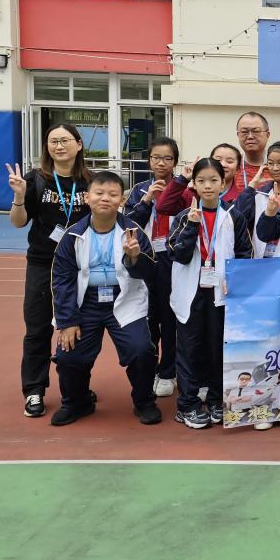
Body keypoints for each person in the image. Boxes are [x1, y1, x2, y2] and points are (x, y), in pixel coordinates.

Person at [49, 171, 161, 427]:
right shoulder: (72, 235)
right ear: (87, 197)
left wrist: (134, 258)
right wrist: (67, 321)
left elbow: (150, 273)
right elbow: (62, 279)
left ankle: (144, 402)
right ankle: (76, 403)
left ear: (122, 200)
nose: (105, 199)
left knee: (142, 350)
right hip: (85, 304)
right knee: (68, 355)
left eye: (112, 194)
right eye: (99, 193)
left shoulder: (133, 232)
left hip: (124, 300)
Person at [6, 123, 92, 419]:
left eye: (65, 140)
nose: (59, 146)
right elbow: (18, 222)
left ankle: (77, 389)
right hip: (43, 263)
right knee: (38, 328)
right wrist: (19, 196)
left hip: (81, 266)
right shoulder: (36, 180)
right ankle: (34, 390)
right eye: (53, 141)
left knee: (80, 328)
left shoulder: (90, 182)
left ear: (78, 144)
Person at [167, 158, 252, 430]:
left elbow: (244, 254)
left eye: (213, 180)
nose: (207, 186)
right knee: (189, 349)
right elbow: (177, 254)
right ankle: (187, 404)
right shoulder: (184, 217)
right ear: (193, 183)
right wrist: (192, 226)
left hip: (221, 292)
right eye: (201, 180)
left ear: (223, 182)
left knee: (218, 347)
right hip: (190, 292)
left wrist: (235, 282)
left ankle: (216, 399)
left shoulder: (233, 216)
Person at [123, 137, 181, 397]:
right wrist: (147, 200)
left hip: (172, 259)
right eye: (156, 157)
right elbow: (128, 223)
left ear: (175, 162)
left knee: (169, 318)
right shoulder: (139, 189)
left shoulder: (182, 188)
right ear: (148, 160)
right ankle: (148, 369)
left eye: (167, 158)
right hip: (145, 258)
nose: (161, 163)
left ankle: (168, 371)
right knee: (148, 317)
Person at [156, 142, 246, 218]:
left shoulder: (241, 198)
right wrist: (183, 179)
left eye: (229, 161)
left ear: (238, 168)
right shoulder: (193, 194)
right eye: (218, 160)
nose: (223, 164)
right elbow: (163, 207)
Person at [233, 111, 272, 189]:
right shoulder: (232, 166)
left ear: (267, 135)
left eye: (256, 131)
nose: (250, 136)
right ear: (238, 135)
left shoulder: (277, 166)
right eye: (244, 132)